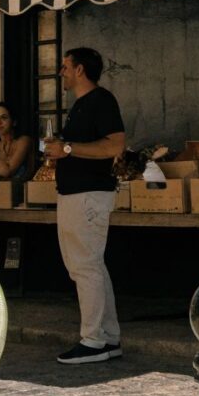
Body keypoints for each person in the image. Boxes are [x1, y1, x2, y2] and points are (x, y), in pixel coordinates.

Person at [42, 47, 126, 364]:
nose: (60, 72)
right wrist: (62, 150)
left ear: (79, 70)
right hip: (77, 194)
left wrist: (66, 148)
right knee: (90, 265)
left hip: (88, 196)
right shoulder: (80, 105)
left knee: (85, 267)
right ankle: (107, 337)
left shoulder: (101, 101)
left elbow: (116, 145)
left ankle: (93, 341)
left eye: (65, 67)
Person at [0, 101, 36, 180]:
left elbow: (7, 172)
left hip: (23, 191)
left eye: (4, 117)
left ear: (14, 122)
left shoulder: (24, 141)